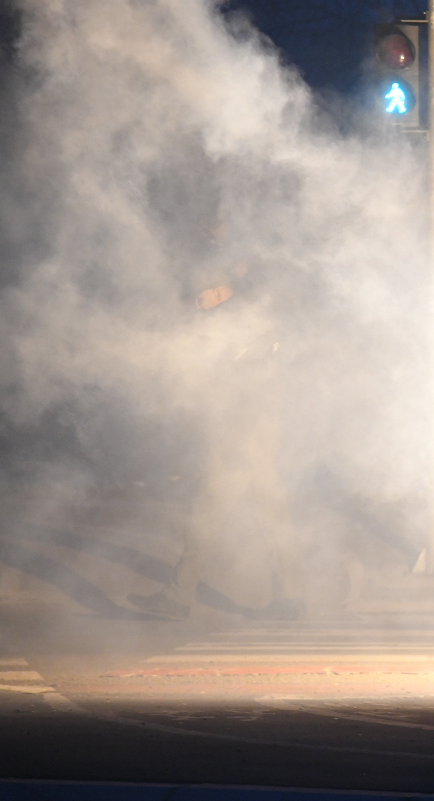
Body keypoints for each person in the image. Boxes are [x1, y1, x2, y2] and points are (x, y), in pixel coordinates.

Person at [129, 219, 304, 622]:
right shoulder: (250, 315)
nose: (198, 300)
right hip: (255, 427)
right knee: (269, 509)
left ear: (220, 288)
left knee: (211, 510)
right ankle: (291, 595)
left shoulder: (240, 322)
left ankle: (178, 596)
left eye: (202, 293)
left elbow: (237, 376)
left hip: (243, 429)